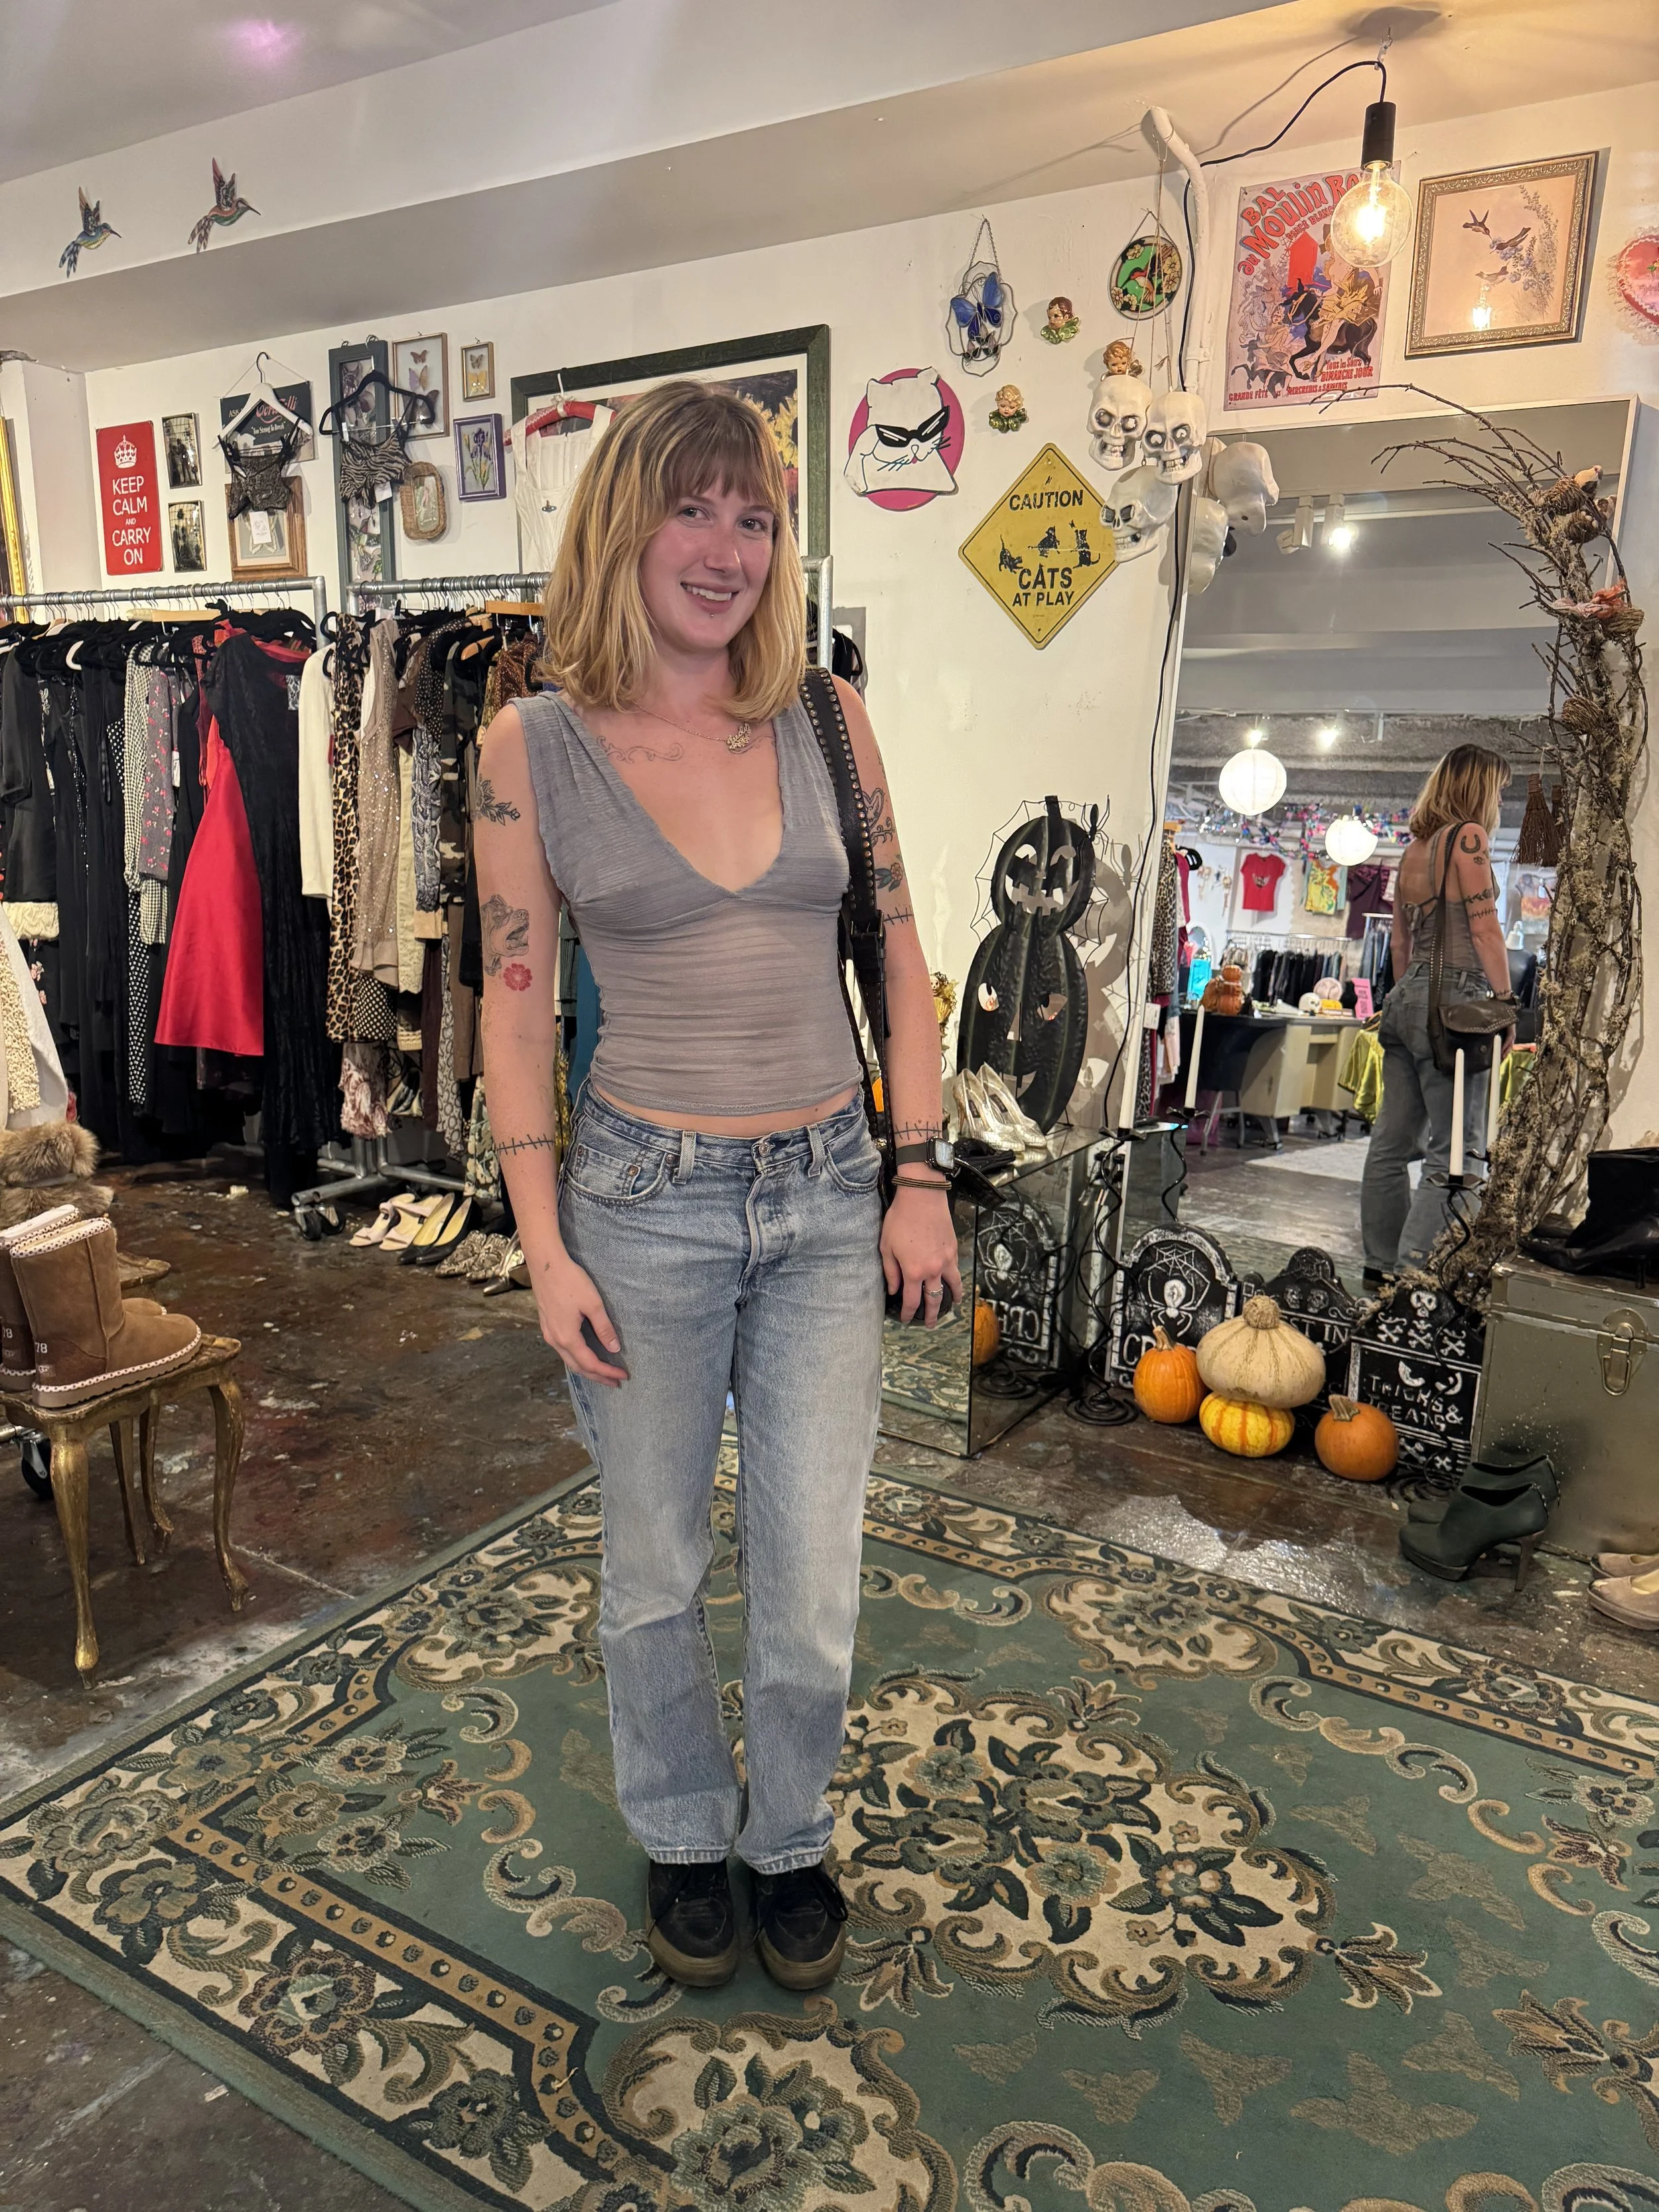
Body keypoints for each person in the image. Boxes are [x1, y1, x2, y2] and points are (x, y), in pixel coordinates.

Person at [474, 380, 961, 1992]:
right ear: (625, 521)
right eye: (694, 508)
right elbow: (515, 994)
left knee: (813, 1567)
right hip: (641, 1199)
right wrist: (540, 1245)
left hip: (832, 1195)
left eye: (754, 517)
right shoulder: (525, 749)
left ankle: (789, 1835)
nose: (727, 547)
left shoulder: (826, 716)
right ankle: (685, 1827)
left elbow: (898, 948)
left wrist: (919, 1172)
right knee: (654, 1565)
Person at [1360, 744, 1514, 1282]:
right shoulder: (1469, 838)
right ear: (1477, 788)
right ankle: (1415, 1279)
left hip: (1406, 1001)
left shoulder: (1413, 852)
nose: (1499, 799)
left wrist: (1410, 1001)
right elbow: (1484, 930)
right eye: (1496, 787)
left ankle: (1380, 1268)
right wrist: (1505, 1003)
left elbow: (1400, 944)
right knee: (1458, 1155)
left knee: (1390, 1145)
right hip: (1455, 1002)